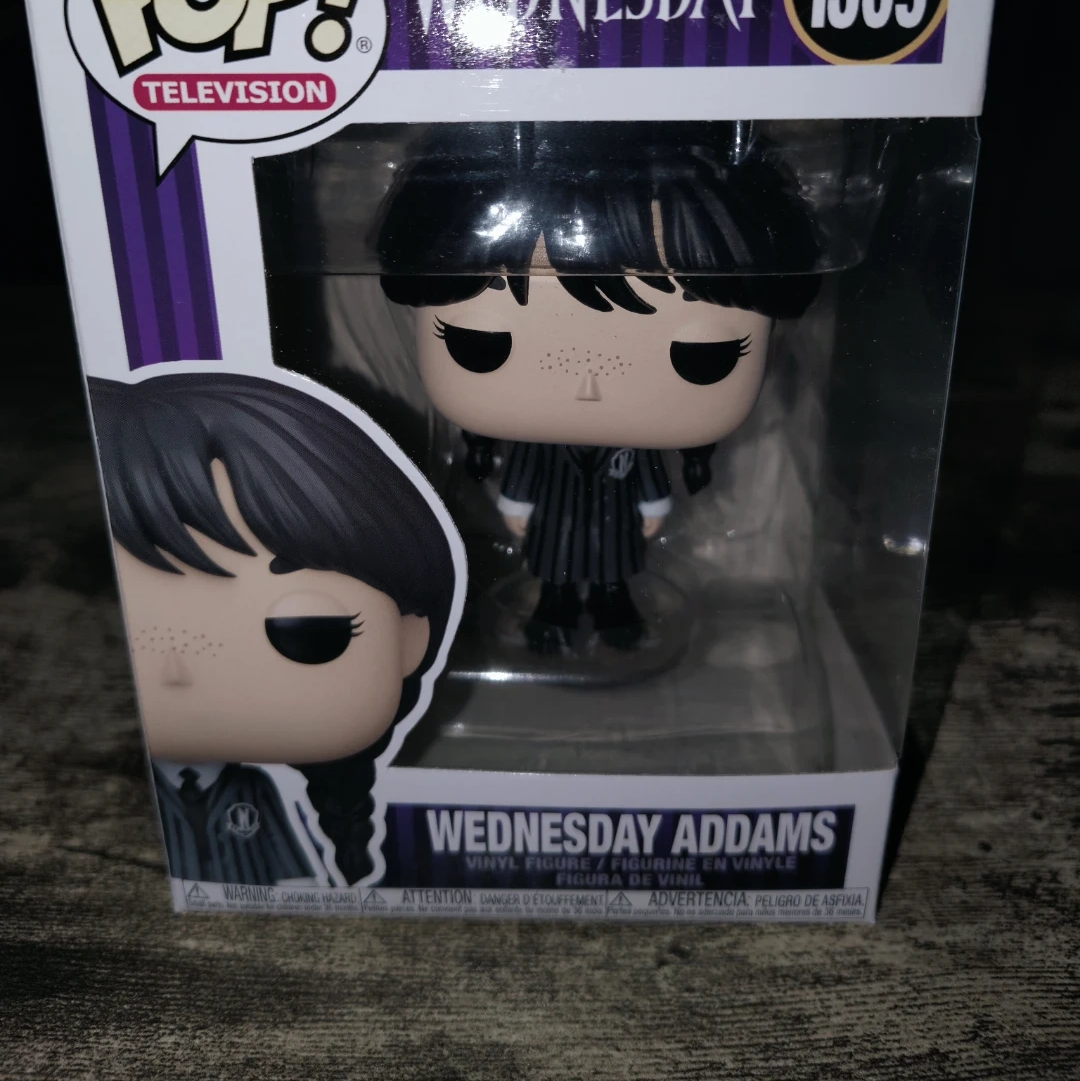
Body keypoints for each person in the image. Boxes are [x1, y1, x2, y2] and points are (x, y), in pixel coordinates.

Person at [377, 121, 820, 652]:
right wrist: (517, 506)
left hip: (611, 530)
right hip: (559, 529)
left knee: (614, 577)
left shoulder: (629, 442)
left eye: (704, 355)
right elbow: (526, 476)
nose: (588, 384)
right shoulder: (540, 442)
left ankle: (614, 612)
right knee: (556, 577)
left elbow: (646, 477)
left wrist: (651, 509)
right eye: (481, 344)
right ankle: (554, 614)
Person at [89, 371, 458, 885]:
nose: (176, 670)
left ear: (411, 638)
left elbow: (293, 880)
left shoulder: (255, 793)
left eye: (307, 632)